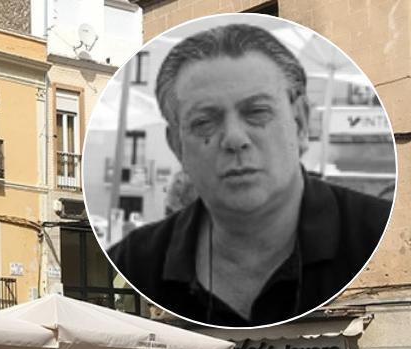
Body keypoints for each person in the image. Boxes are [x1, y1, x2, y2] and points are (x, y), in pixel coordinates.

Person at [107, 23, 392, 327]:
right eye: (205, 121)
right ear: (177, 145)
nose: (234, 139)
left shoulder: (370, 230)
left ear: (300, 122)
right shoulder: (136, 262)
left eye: (257, 111)